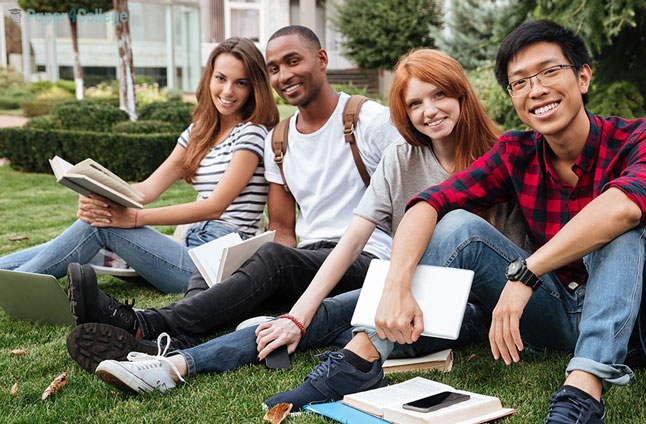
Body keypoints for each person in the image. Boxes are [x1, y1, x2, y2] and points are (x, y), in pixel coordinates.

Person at [83, 49, 526, 398]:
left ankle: (193, 341)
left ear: (462, 95)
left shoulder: (501, 155)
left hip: (473, 306)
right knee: (310, 319)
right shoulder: (401, 159)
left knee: (342, 316)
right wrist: (297, 315)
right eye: (415, 103)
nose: (429, 110)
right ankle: (171, 366)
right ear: (404, 112)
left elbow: (514, 256)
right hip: (402, 290)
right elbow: (353, 238)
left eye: (439, 95)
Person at [363, 20, 646, 424]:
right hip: (556, 312)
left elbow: (625, 208)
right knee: (456, 224)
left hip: (633, 319)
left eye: (549, 72)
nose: (537, 89)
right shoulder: (516, 150)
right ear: (512, 95)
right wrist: (396, 285)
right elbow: (429, 202)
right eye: (521, 82)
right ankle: (356, 357)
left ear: (583, 77)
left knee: (620, 229)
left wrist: (526, 273)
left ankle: (583, 390)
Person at [64, 25, 401, 373]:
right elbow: (283, 230)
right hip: (312, 263)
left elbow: (414, 201)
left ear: (321, 59)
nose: (284, 75)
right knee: (227, 267)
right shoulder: (280, 140)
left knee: (273, 259)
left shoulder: (369, 119)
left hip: (368, 261)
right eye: (274, 68)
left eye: (293, 61)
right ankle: (164, 345)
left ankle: (142, 323)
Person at [0, 37, 278, 294]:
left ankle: (16, 289)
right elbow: (146, 189)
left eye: (240, 83)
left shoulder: (251, 133)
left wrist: (135, 218)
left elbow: (215, 206)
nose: (228, 90)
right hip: (189, 248)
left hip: (214, 264)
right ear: (209, 79)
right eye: (221, 78)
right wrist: (99, 196)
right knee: (97, 221)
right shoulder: (198, 132)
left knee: (104, 225)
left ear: (255, 87)